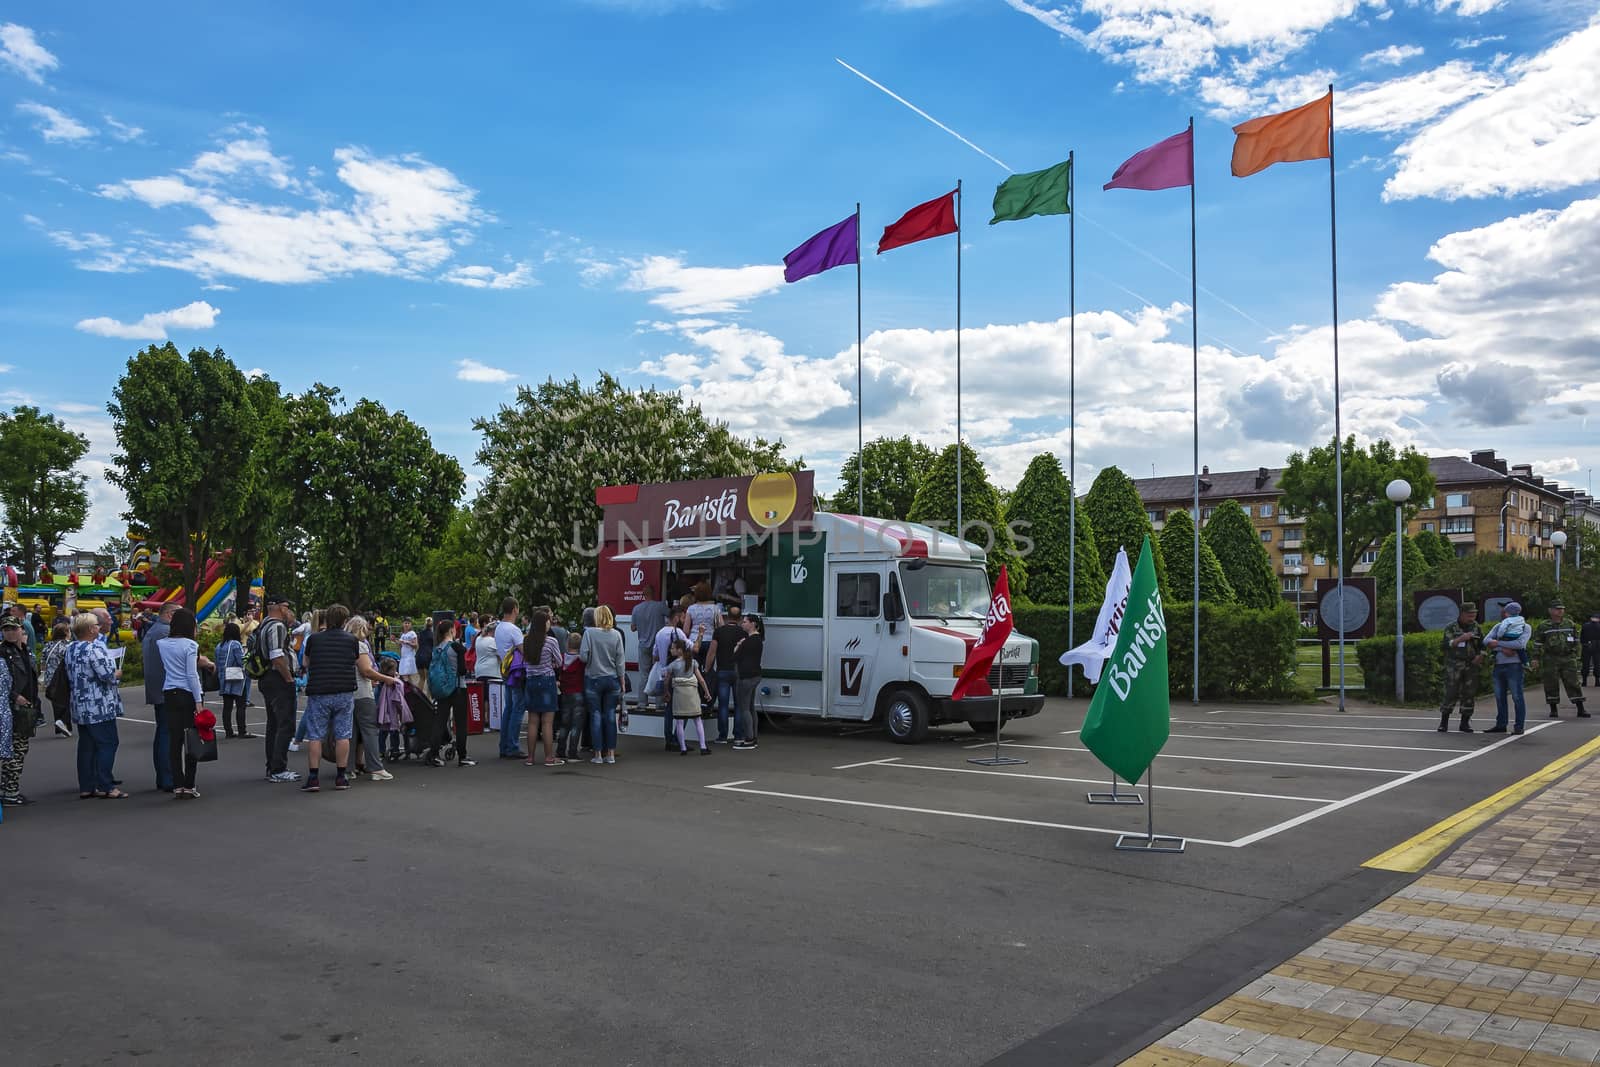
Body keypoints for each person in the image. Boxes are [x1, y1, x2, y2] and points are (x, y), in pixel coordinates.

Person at [300, 603, 360, 792]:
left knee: (316, 735)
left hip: (319, 691)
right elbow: (355, 661)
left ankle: (313, 777)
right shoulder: (351, 640)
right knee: (343, 734)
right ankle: (341, 776)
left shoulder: (314, 639)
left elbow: (305, 662)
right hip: (344, 690)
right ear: (344, 620)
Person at [68, 612, 126, 799]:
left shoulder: (71, 648)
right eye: (96, 625)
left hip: (80, 703)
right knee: (107, 743)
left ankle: (86, 785)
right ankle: (106, 785)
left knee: (86, 746)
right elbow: (107, 675)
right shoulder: (94, 649)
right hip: (99, 705)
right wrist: (117, 673)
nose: (99, 628)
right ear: (91, 629)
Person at [158, 608, 214, 799]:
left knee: (175, 740)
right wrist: (199, 700)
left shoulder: (162, 644)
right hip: (188, 693)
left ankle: (177, 783)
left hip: (169, 692)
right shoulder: (190, 645)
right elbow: (192, 674)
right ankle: (189, 784)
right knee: (191, 738)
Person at [346, 615, 399, 782]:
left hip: (348, 694)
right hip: (362, 693)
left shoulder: (344, 645)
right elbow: (366, 671)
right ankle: (375, 767)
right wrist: (386, 678)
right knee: (370, 731)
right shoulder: (359, 645)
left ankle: (349, 767)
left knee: (351, 733)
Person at [258, 596, 301, 783]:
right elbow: (277, 656)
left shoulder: (263, 625)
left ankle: (273, 766)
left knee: (273, 724)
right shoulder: (277, 626)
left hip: (267, 678)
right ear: (276, 607)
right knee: (285, 724)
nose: (288, 609)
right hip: (278, 679)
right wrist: (289, 678)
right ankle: (278, 768)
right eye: (286, 606)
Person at [580, 604, 625, 765]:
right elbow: (620, 661)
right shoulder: (617, 635)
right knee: (610, 715)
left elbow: (583, 657)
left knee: (596, 716)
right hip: (612, 679)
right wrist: (622, 682)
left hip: (593, 678)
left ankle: (598, 754)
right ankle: (610, 753)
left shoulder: (589, 633)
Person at [1, 617, 39, 806]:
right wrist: (15, 696)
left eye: (12, 628)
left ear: (21, 630)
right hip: (11, 709)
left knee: (19, 750)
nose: (9, 632)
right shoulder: (3, 652)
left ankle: (9, 789)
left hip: (26, 707)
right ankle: (9, 792)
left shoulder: (25, 651)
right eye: (5, 629)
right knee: (14, 751)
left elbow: (31, 677)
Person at [142, 601, 179, 793]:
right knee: (168, 735)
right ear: (171, 615)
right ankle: (168, 777)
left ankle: (164, 776)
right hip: (168, 689)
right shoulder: (165, 632)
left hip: (157, 688)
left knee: (163, 733)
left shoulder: (153, 630)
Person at [427, 618, 474, 768]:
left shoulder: (437, 648)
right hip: (458, 688)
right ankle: (463, 756)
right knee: (460, 723)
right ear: (452, 630)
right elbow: (462, 670)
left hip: (442, 689)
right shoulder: (456, 647)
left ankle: (433, 754)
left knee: (440, 721)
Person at [1531, 601, 1588, 719]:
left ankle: (1581, 708)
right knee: (1551, 683)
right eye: (1557, 609)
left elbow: (1577, 641)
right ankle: (1553, 709)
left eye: (1562, 609)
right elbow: (1537, 643)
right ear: (1550, 611)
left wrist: (1577, 656)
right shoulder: (1544, 626)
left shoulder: (1569, 624)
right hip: (1550, 658)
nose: (1560, 611)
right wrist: (1535, 658)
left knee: (1573, 683)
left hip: (1568, 658)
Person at [522, 609, 564, 767]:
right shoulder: (551, 641)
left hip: (531, 681)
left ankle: (530, 757)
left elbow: (526, 661)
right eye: (548, 621)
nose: (550, 623)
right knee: (547, 722)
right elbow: (559, 662)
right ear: (543, 623)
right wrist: (551, 664)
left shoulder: (526, 640)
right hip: (547, 681)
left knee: (533, 721)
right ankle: (549, 757)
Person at [1484, 602, 1532, 734]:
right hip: (1499, 664)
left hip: (1514, 665)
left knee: (1517, 696)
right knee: (1500, 696)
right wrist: (1503, 648)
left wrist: (1498, 643)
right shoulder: (1499, 626)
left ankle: (1519, 726)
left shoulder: (1525, 627)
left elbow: (1520, 644)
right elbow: (1486, 641)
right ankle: (1501, 724)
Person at [1436, 603, 1482, 734]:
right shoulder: (1451, 627)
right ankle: (1444, 722)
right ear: (1462, 614)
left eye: (1474, 614)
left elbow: (1481, 645)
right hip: (1454, 664)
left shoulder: (1476, 627)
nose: (1472, 617)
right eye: (1469, 614)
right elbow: (1445, 645)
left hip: (1471, 665)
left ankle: (1465, 723)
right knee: (1450, 692)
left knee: (1469, 693)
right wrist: (1460, 639)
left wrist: (1480, 656)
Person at [664, 638, 712, 756]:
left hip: (679, 695)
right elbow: (701, 679)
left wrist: (666, 692)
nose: (670, 650)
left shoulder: (672, 665)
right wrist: (707, 692)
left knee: (679, 721)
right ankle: (703, 746)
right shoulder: (693, 662)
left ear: (679, 650)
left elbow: (666, 681)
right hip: (692, 694)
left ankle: (683, 748)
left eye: (673, 648)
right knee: (697, 720)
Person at [652, 606, 691, 750]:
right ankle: (678, 739)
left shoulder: (659, 633)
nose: (684, 620)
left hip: (664, 673)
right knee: (684, 708)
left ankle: (669, 739)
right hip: (678, 675)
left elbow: (654, 655)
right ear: (676, 617)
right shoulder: (679, 632)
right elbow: (691, 648)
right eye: (682, 617)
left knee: (668, 708)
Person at [705, 604, 744, 744]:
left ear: (727, 617)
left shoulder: (719, 632)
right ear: (740, 619)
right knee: (739, 705)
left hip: (722, 671)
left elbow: (712, 652)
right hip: (738, 672)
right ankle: (738, 736)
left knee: (723, 705)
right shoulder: (743, 632)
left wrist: (707, 669)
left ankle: (722, 736)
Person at [494, 597, 526, 760]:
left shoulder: (499, 628)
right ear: (515, 609)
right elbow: (523, 650)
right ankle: (513, 745)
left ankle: (504, 745)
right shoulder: (514, 629)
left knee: (509, 708)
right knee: (518, 707)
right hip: (516, 672)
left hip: (505, 670)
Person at [631, 585, 668, 711]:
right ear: (653, 593)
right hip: (657, 645)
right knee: (658, 673)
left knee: (643, 674)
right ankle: (659, 704)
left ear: (643, 594)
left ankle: (642, 703)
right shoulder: (660, 606)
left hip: (643, 645)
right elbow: (672, 615)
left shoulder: (636, 608)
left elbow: (633, 627)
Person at [732, 613, 764, 751]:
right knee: (751, 707)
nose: (742, 624)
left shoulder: (748, 641)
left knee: (744, 707)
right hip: (755, 675)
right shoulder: (758, 639)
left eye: (745, 622)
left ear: (752, 624)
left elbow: (736, 656)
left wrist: (738, 646)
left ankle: (749, 738)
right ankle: (753, 736)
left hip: (746, 676)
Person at [216, 622, 251, 740]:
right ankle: (242, 730)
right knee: (241, 705)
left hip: (224, 678)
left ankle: (228, 731)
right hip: (236, 678)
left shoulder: (220, 645)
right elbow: (241, 661)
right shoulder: (235, 644)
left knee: (227, 706)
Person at [557, 632, 586, 761]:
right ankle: (573, 751)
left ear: (567, 644)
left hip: (565, 693)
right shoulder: (581, 660)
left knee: (564, 724)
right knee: (576, 725)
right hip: (578, 692)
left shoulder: (562, 658)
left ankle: (560, 750)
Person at [42, 620, 71, 737]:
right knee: (67, 701)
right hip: (62, 678)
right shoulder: (66, 646)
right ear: (64, 632)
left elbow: (43, 662)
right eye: (68, 630)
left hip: (50, 677)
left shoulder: (48, 645)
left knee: (56, 702)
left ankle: (60, 726)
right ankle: (64, 723)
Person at [685, 582, 720, 660]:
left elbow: (686, 630)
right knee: (708, 666)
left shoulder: (691, 608)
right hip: (710, 640)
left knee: (694, 667)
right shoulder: (715, 608)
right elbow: (721, 626)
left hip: (694, 640)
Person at [397, 619, 420, 689]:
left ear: (410, 625)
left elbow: (415, 645)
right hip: (403, 657)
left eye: (408, 623)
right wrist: (397, 642)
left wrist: (406, 642)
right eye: (405, 623)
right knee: (407, 676)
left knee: (405, 676)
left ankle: (410, 690)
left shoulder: (412, 633)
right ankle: (412, 691)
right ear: (403, 624)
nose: (406, 625)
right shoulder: (403, 634)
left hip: (409, 656)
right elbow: (401, 646)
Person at [1583, 611, 1600, 687]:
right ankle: (1597, 681)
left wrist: (1584, 643)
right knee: (1597, 664)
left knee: (1585, 664)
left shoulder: (1585, 625)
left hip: (1587, 646)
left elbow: (1582, 637)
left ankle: (1584, 681)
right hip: (1598, 647)